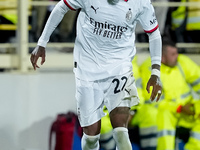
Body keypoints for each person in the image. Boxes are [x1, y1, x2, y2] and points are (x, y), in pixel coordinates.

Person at [30, 0, 162, 149]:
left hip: (119, 66)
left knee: (121, 132)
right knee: (92, 135)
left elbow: (154, 34)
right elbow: (61, 7)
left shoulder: (140, 2)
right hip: (87, 67)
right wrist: (42, 43)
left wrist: (155, 72)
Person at [138, 38, 200, 150]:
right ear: (161, 58)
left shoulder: (180, 61)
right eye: (173, 54)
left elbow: (198, 80)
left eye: (176, 52)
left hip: (187, 109)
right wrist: (179, 108)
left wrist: (195, 106)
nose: (177, 56)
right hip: (169, 112)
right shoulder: (150, 70)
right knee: (164, 117)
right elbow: (156, 102)